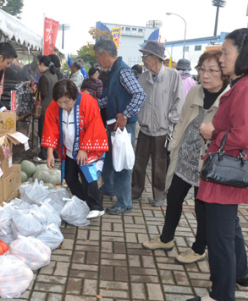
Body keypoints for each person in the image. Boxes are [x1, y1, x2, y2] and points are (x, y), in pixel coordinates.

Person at [186, 28, 248, 301]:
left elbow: (243, 136)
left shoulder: (245, 87)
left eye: (225, 52)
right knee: (229, 226)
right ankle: (239, 273)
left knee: (219, 233)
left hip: (227, 168)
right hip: (231, 168)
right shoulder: (247, 83)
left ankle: (221, 295)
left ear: (242, 54)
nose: (221, 58)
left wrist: (213, 133)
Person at [141, 50, 230, 265]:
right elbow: (182, 120)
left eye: (212, 70)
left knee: (203, 207)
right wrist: (174, 146)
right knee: (173, 198)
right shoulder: (196, 90)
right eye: (202, 69)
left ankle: (199, 249)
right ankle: (166, 239)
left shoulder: (228, 97)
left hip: (208, 163)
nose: (206, 75)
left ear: (224, 73)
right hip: (185, 156)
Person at [42, 80, 109, 219]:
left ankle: (96, 206)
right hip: (68, 147)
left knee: (87, 175)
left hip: (86, 147)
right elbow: (51, 128)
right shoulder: (55, 105)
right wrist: (49, 152)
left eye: (66, 102)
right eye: (60, 102)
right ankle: (82, 200)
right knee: (69, 177)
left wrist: (84, 149)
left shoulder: (88, 102)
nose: (63, 106)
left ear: (74, 97)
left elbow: (94, 125)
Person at [94, 39, 147, 215]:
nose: (97, 61)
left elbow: (140, 94)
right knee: (109, 157)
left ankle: (124, 202)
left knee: (122, 162)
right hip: (113, 124)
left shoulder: (123, 71)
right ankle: (108, 187)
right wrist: (93, 103)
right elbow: (111, 99)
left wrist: (126, 114)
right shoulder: (113, 71)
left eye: (97, 56)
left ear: (105, 55)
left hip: (123, 126)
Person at [131, 40, 183, 207]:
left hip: (162, 129)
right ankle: (135, 190)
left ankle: (159, 195)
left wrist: (170, 121)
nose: (143, 59)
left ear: (155, 57)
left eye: (145, 56)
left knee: (159, 165)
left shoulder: (173, 76)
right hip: (145, 128)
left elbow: (179, 100)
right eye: (143, 56)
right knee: (139, 163)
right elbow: (137, 100)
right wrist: (141, 117)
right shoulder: (143, 77)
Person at [34, 55, 59, 162]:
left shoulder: (44, 77)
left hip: (45, 109)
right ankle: (55, 153)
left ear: (42, 64)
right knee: (52, 131)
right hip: (54, 107)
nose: (38, 67)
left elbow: (43, 93)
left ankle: (44, 154)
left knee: (43, 132)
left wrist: (35, 90)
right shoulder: (54, 75)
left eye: (38, 64)